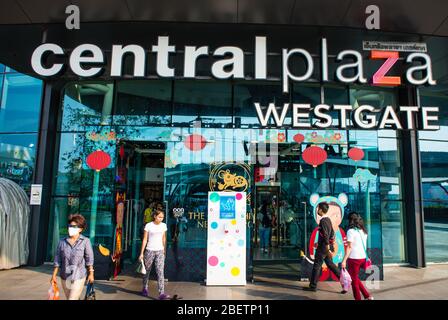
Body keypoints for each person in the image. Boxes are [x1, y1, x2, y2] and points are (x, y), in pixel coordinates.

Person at [51, 214, 94, 300]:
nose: (70, 228)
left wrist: (91, 274)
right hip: (65, 277)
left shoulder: (85, 241)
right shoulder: (62, 242)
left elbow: (89, 259)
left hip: (79, 276)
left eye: (74, 226)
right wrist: (54, 275)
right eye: (70, 226)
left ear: (80, 229)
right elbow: (57, 259)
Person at [304, 202, 341, 292]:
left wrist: (327, 248)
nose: (317, 210)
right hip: (325, 247)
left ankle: (313, 286)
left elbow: (326, 235)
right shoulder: (328, 220)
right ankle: (344, 280)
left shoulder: (323, 221)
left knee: (317, 266)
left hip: (323, 248)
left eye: (318, 208)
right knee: (331, 265)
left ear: (321, 209)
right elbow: (331, 234)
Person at [341, 212, 374, 300]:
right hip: (363, 258)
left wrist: (344, 260)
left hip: (354, 259)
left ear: (351, 221)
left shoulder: (351, 231)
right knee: (355, 278)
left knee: (354, 281)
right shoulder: (364, 231)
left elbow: (349, 247)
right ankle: (367, 295)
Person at [138, 209, 170, 300]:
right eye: (159, 217)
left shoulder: (164, 225)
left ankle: (161, 293)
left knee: (160, 271)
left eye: (162, 217)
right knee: (147, 271)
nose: (161, 219)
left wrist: (164, 250)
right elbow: (145, 239)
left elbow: (164, 238)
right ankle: (144, 288)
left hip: (160, 251)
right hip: (149, 250)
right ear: (155, 216)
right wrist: (141, 253)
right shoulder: (148, 225)